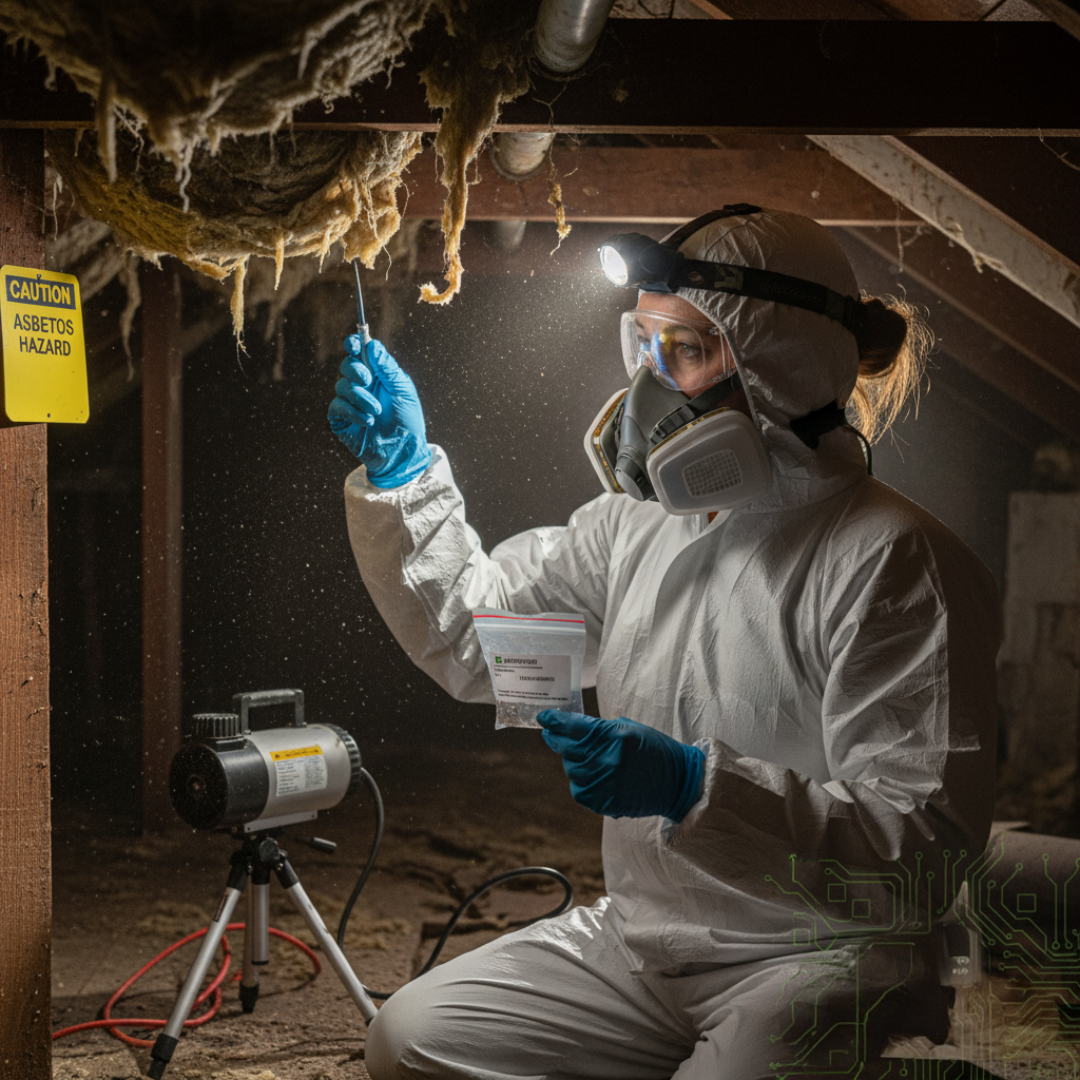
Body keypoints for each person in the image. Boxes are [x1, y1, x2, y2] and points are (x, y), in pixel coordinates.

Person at [328, 207, 999, 1079]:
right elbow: (484, 651)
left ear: (780, 365)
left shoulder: (893, 559)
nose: (650, 382)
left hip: (820, 952)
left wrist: (696, 787)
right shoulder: (634, 530)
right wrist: (404, 478)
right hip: (646, 941)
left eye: (686, 350)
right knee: (412, 1040)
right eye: (646, 343)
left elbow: (922, 844)